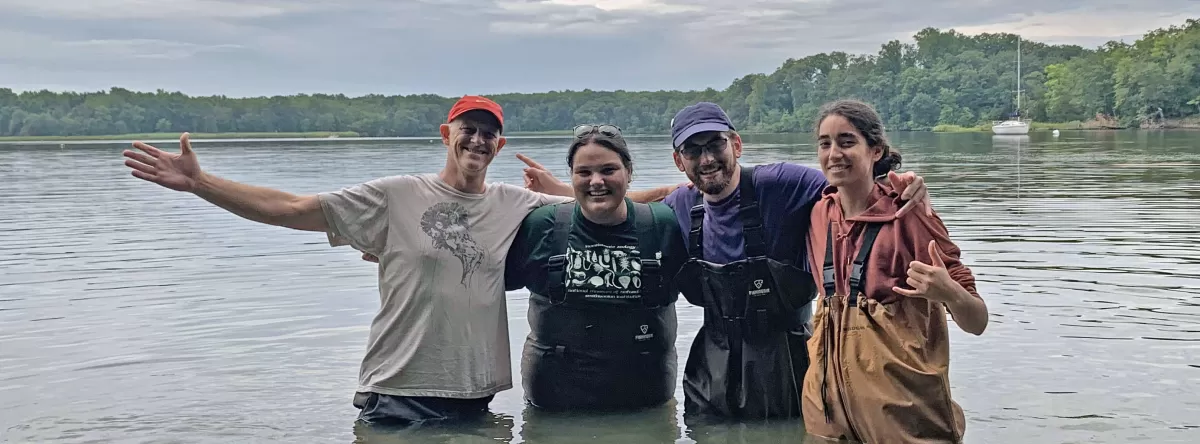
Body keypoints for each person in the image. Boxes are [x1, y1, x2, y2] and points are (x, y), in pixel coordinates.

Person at [119, 95, 679, 427]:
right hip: (399, 397)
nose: (478, 142)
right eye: (468, 131)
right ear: (447, 135)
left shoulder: (517, 206)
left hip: (476, 400)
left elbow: (601, 201)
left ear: (500, 145)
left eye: (489, 134)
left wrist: (692, 183)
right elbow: (291, 208)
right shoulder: (394, 197)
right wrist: (201, 183)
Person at [518, 102, 932, 421]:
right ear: (680, 161)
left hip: (790, 365)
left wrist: (899, 182)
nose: (706, 159)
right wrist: (565, 192)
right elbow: (623, 200)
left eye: (714, 144)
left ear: (736, 144)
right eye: (692, 151)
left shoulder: (784, 184)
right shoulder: (680, 206)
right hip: (711, 372)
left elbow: (850, 181)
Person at [801, 99, 988, 443]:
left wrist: (948, 291)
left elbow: (977, 322)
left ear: (875, 151)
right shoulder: (816, 214)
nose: (834, 153)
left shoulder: (911, 213)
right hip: (827, 417)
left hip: (904, 420)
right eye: (824, 143)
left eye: (847, 141)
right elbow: (735, 187)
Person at [504, 124, 693, 412]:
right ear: (571, 177)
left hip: (645, 410)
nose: (596, 181)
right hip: (554, 410)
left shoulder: (664, 224)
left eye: (608, 170)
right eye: (584, 173)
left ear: (628, 173)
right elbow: (484, 284)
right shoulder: (541, 225)